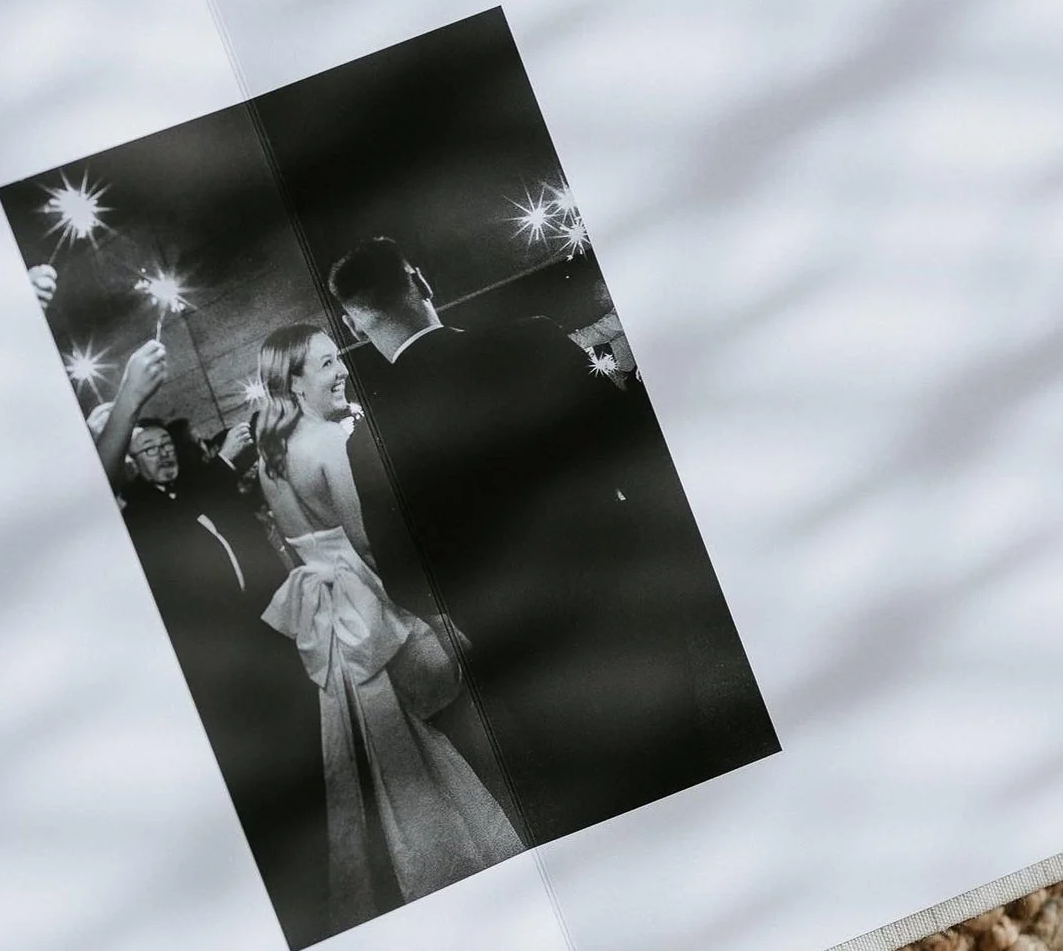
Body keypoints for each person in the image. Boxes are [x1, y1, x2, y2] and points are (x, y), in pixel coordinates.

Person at [327, 238, 780, 844]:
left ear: (353, 323)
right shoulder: (531, 340)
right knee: (697, 757)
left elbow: (406, 579)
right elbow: (633, 452)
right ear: (422, 283)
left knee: (618, 804)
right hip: (623, 592)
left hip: (519, 645)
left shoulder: (369, 443)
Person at [254, 323, 523, 935]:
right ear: (293, 381)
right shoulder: (332, 442)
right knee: (454, 740)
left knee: (387, 765)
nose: (342, 370)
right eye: (327, 363)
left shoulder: (270, 457)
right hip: (376, 607)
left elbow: (302, 546)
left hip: (332, 622)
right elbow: (371, 542)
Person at [94, 341, 332, 951]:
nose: (162, 454)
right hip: (214, 667)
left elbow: (226, 495)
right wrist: (131, 401)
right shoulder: (137, 516)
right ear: (130, 466)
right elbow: (103, 480)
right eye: (147, 450)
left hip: (266, 636)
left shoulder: (192, 492)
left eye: (165, 445)